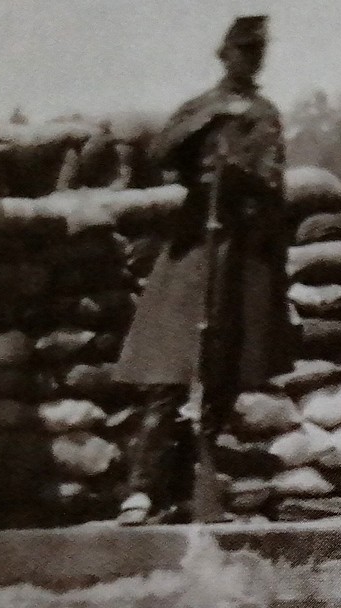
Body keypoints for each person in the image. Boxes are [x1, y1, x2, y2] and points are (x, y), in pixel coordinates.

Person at [115, 15, 293, 524]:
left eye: (258, 52)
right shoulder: (202, 106)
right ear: (225, 55)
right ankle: (142, 487)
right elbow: (163, 152)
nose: (251, 60)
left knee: (223, 369)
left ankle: (191, 482)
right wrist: (209, 127)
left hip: (239, 252)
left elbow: (274, 180)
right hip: (195, 246)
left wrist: (244, 177)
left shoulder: (266, 114)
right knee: (170, 369)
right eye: (243, 51)